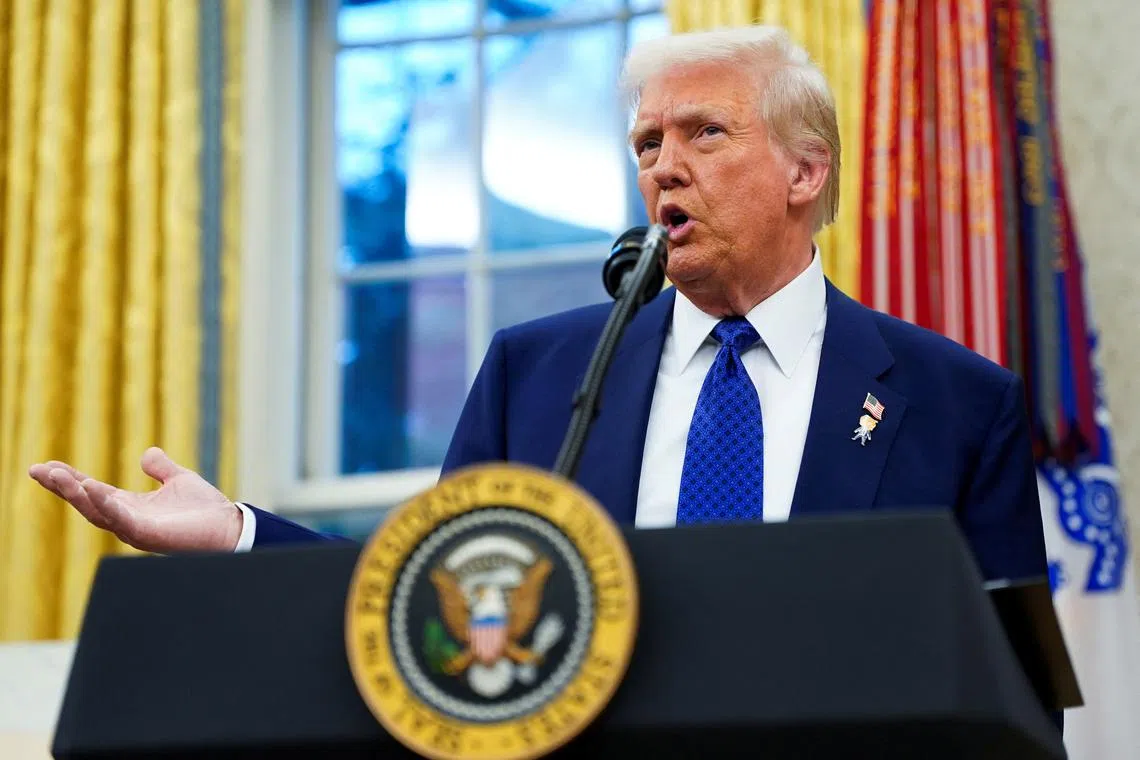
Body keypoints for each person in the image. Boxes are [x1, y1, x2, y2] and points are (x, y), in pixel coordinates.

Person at [28, 26, 1048, 585]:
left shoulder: (954, 400)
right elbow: (431, 589)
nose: (665, 169)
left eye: (704, 134)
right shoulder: (542, 375)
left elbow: (1015, 690)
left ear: (804, 171)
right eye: (648, 144)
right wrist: (242, 534)